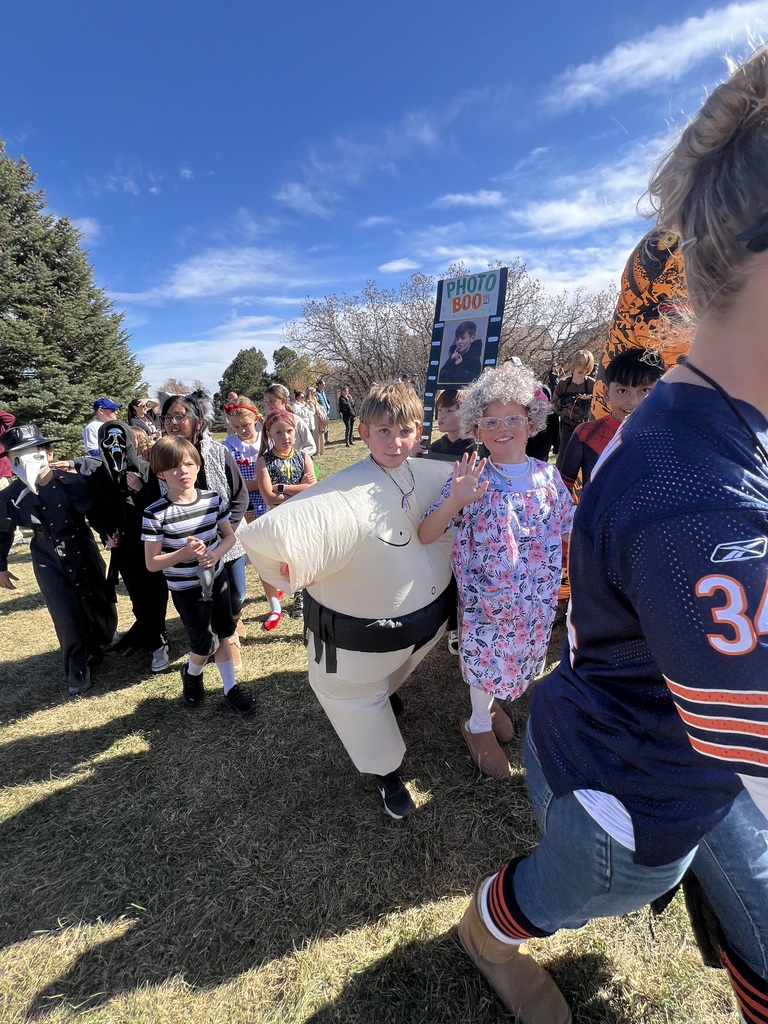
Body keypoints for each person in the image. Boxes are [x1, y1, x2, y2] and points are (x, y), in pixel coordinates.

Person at [458, 47, 768, 1024]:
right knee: (611, 878)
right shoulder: (684, 486)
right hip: (627, 783)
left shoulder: (703, 436)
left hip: (683, 742)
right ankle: (488, 926)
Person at [241, 384, 453, 819]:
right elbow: (268, 539)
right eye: (383, 431)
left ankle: (386, 693)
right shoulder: (342, 495)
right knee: (356, 700)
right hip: (354, 641)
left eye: (406, 431)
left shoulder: (429, 472)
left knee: (386, 680)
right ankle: (386, 774)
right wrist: (295, 568)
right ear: (363, 432)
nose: (395, 442)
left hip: (424, 625)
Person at [419, 363, 573, 779]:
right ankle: (478, 724)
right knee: (487, 660)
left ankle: (489, 704)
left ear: (531, 422)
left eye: (512, 418)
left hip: (535, 601)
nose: (502, 428)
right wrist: (455, 499)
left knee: (516, 658)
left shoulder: (548, 477)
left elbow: (570, 529)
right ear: (477, 428)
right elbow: (427, 532)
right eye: (490, 421)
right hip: (488, 600)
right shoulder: (473, 477)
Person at [0, 424, 117, 696]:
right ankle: (77, 669)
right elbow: (2, 532)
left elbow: (96, 513)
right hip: (46, 555)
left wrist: (108, 534)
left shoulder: (74, 483)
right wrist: (1, 566)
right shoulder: (10, 496)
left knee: (97, 596)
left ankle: (103, 638)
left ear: (49, 454)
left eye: (32, 454)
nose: (25, 462)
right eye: (16, 457)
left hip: (81, 544)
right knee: (65, 613)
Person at [142, 436, 256, 715]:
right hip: (187, 590)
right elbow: (152, 563)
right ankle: (192, 674)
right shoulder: (155, 514)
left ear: (198, 465)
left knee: (225, 633)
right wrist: (185, 553)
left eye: (189, 464)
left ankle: (230, 689)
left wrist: (216, 554)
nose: (184, 472)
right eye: (174, 468)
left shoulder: (212, 500)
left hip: (217, 581)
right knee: (204, 643)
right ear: (160, 474)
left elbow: (229, 536)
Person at [159, 393, 249, 668]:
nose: (173, 422)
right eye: (168, 417)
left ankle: (234, 617)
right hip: (187, 546)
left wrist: (225, 532)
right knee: (201, 596)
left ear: (196, 420)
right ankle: (225, 639)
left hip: (226, 539)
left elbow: (239, 495)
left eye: (180, 416)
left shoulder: (218, 452)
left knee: (236, 594)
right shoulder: (161, 458)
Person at [559, 349, 665, 496]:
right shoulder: (585, 434)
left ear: (662, 391)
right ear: (606, 394)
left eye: (645, 390)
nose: (634, 402)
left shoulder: (674, 437)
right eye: (622, 391)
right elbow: (561, 494)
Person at [255, 410, 317, 624]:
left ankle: (302, 597)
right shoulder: (264, 461)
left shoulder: (303, 456)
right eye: (279, 432)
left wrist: (283, 487)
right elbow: (270, 497)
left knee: (302, 556)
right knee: (283, 559)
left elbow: (313, 489)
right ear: (270, 433)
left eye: (289, 431)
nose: (285, 437)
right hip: (279, 520)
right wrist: (301, 487)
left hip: (302, 517)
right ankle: (280, 600)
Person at [552, 351, 596, 470]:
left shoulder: (592, 384)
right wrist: (568, 403)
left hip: (586, 428)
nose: (581, 368)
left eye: (586, 365)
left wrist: (590, 399)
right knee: (564, 460)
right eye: (579, 364)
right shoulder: (564, 383)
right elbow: (554, 403)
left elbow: (601, 404)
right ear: (574, 364)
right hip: (566, 427)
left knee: (585, 460)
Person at [262, 383, 316, 457]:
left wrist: (294, 457)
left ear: (283, 401)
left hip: (296, 465)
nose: (268, 405)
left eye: (271, 401)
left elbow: (311, 446)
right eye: (266, 401)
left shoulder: (296, 420)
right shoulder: (263, 423)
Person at [426, 390, 477, 461]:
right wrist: (416, 457)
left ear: (465, 414)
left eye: (449, 411)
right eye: (439, 410)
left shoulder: (475, 448)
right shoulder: (436, 447)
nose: (441, 416)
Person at [306, 387, 326, 456]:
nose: (315, 394)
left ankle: (321, 450)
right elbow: (312, 410)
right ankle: (316, 451)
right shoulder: (308, 401)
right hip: (314, 417)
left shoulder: (315, 399)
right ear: (310, 393)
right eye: (314, 392)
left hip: (318, 417)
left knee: (321, 433)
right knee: (316, 434)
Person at [315, 378, 331, 443]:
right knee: (323, 425)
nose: (324, 386)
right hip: (321, 412)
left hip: (326, 411)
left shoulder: (323, 392)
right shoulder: (316, 393)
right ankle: (323, 440)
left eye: (324, 384)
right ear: (319, 385)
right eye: (323, 385)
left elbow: (325, 401)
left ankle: (327, 439)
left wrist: (328, 407)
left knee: (327, 425)